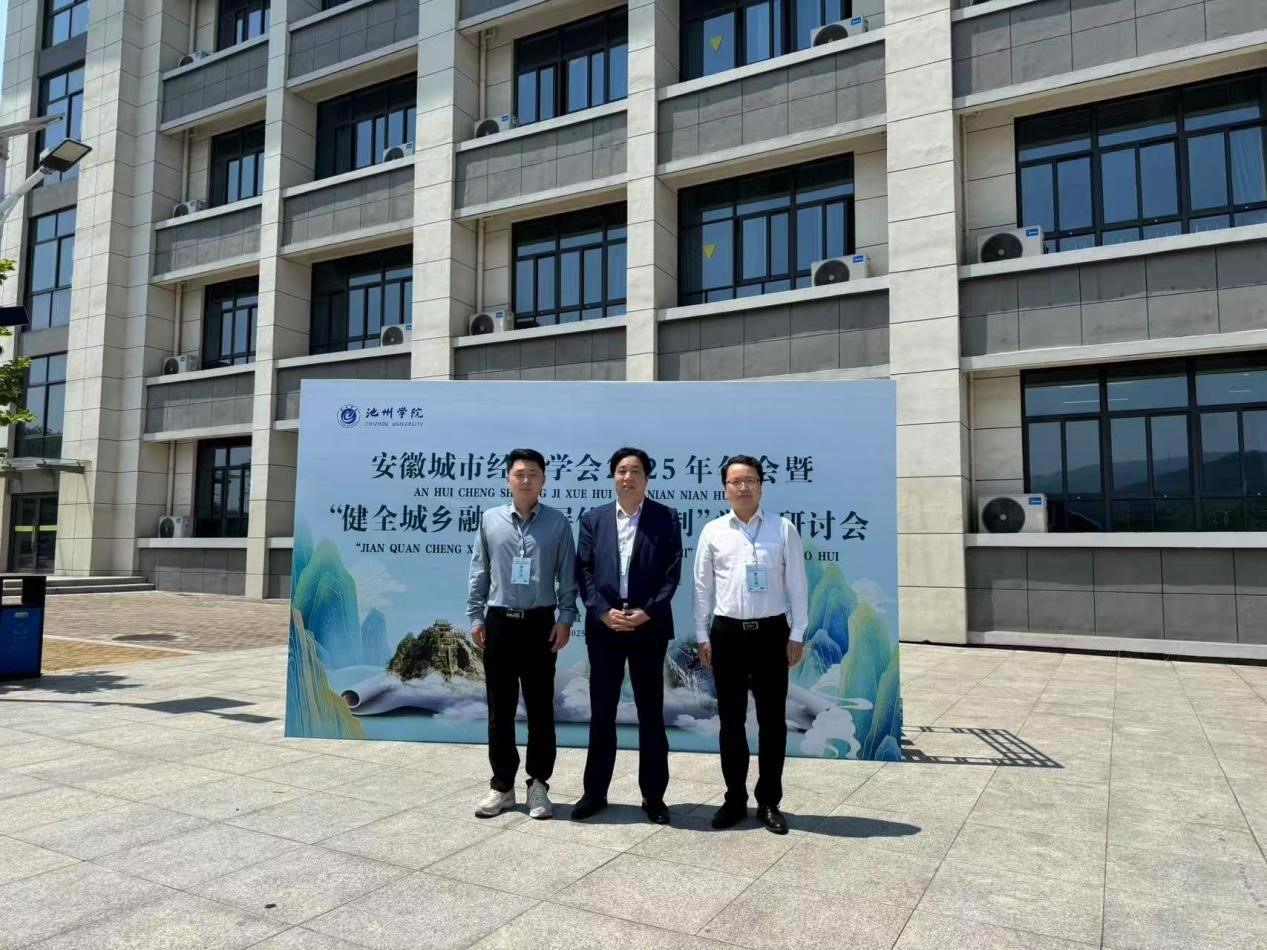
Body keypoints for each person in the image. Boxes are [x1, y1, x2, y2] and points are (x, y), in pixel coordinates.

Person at [692, 454, 808, 835]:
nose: (743, 487)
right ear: (725, 488)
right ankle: (734, 799)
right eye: (735, 481)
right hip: (727, 635)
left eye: (750, 481)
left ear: (761, 485)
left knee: (773, 722)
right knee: (731, 722)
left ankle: (769, 801)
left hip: (772, 634)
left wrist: (797, 633)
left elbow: (798, 584)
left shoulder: (783, 529)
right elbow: (702, 588)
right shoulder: (713, 531)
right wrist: (702, 635)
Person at [572, 448, 683, 825]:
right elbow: (584, 571)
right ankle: (594, 792)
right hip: (604, 628)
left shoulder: (665, 517)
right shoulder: (594, 519)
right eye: (621, 470)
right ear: (613, 477)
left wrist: (647, 611)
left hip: (648, 627)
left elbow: (671, 573)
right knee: (602, 711)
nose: (628, 477)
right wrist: (602, 612)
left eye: (635, 471)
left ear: (647, 478)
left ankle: (654, 796)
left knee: (650, 712)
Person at [467, 448, 578, 821]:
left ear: (543, 480)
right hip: (499, 622)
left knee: (540, 709)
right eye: (519, 474)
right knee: (499, 710)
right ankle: (502, 786)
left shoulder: (557, 523)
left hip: (540, 624)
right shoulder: (490, 520)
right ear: (508, 479)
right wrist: (475, 615)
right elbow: (479, 571)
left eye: (533, 474)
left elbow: (567, 576)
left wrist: (565, 618)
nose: (526, 480)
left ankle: (539, 785)